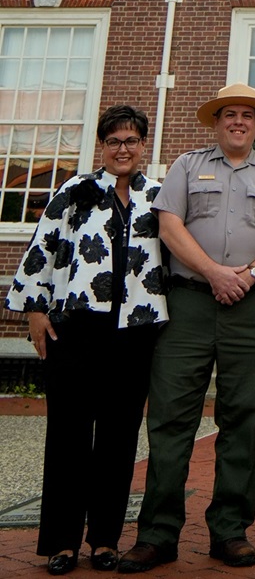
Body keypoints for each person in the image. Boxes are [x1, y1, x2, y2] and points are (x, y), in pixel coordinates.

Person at [119, 82, 255, 573]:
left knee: (241, 422)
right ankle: (158, 535)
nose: (239, 122)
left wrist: (247, 276)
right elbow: (169, 226)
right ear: (217, 122)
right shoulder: (186, 166)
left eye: (248, 115)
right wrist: (214, 273)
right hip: (189, 307)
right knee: (170, 420)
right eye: (230, 115)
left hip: (250, 310)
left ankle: (230, 532)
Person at [6, 103, 168, 576]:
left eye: (132, 141)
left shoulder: (158, 197)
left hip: (135, 333)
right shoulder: (74, 192)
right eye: (114, 141)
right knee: (68, 437)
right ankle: (60, 542)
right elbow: (43, 247)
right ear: (103, 146)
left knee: (119, 440)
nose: (123, 149)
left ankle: (104, 540)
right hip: (76, 329)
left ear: (143, 146)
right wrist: (35, 311)